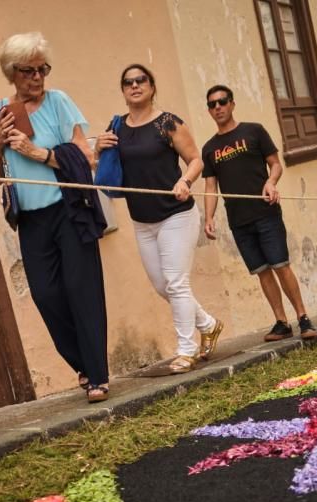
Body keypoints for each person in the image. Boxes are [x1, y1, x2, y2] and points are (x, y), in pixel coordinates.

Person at [0, 32, 110, 402]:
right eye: (28, 71)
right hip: (31, 221)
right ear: (12, 73)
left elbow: (84, 158)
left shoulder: (59, 102)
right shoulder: (1, 111)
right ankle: (83, 365)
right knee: (46, 295)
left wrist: (38, 153)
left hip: (68, 211)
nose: (37, 78)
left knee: (81, 290)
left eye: (43, 69)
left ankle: (97, 375)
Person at [96, 64, 223, 374]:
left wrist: (185, 182)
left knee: (176, 282)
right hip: (143, 220)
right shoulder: (116, 128)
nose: (135, 85)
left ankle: (185, 349)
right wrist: (98, 150)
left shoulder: (168, 123)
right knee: (161, 285)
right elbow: (105, 170)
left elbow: (196, 160)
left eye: (141, 80)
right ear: (123, 90)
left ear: (152, 86)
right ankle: (208, 324)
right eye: (128, 82)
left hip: (175, 215)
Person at [200, 85, 317, 342]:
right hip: (238, 220)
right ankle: (281, 322)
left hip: (266, 212)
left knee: (281, 265)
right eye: (212, 104)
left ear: (232, 103)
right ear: (209, 111)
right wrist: (208, 218)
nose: (218, 107)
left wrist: (270, 183)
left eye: (222, 102)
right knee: (262, 271)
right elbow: (211, 186)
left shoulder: (254, 131)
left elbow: (275, 164)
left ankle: (303, 318)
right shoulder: (210, 148)